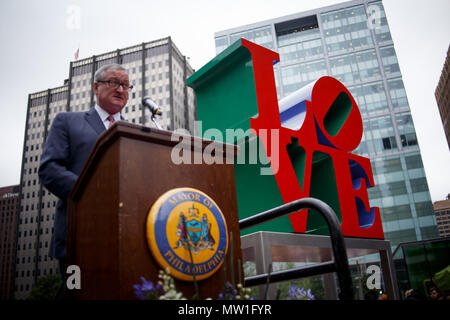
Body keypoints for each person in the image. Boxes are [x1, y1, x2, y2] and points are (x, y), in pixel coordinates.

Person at [38, 63, 131, 299]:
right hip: (79, 238)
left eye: (126, 85)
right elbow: (49, 169)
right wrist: (91, 193)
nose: (120, 89)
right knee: (76, 292)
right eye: (114, 82)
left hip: (127, 239)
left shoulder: (134, 132)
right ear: (95, 87)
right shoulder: (67, 122)